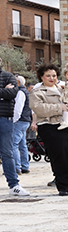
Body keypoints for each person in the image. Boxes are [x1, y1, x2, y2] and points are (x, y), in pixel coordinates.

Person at [30, 65, 68, 196]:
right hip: (51, 125)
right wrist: (60, 107)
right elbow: (38, 107)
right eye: (48, 75)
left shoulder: (65, 87)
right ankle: (63, 186)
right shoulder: (37, 91)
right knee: (60, 154)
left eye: (54, 75)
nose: (52, 78)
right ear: (41, 76)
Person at [0, 59, 29, 196]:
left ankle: (14, 185)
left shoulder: (8, 76)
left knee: (8, 153)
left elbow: (11, 94)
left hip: (5, 119)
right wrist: (2, 92)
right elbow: (5, 94)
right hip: (5, 119)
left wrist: (6, 93)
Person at [12, 76, 32, 176]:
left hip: (19, 121)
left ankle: (17, 167)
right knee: (22, 144)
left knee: (14, 144)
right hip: (26, 120)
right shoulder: (27, 92)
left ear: (18, 82)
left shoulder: (20, 92)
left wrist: (14, 120)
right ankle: (25, 166)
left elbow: (18, 108)